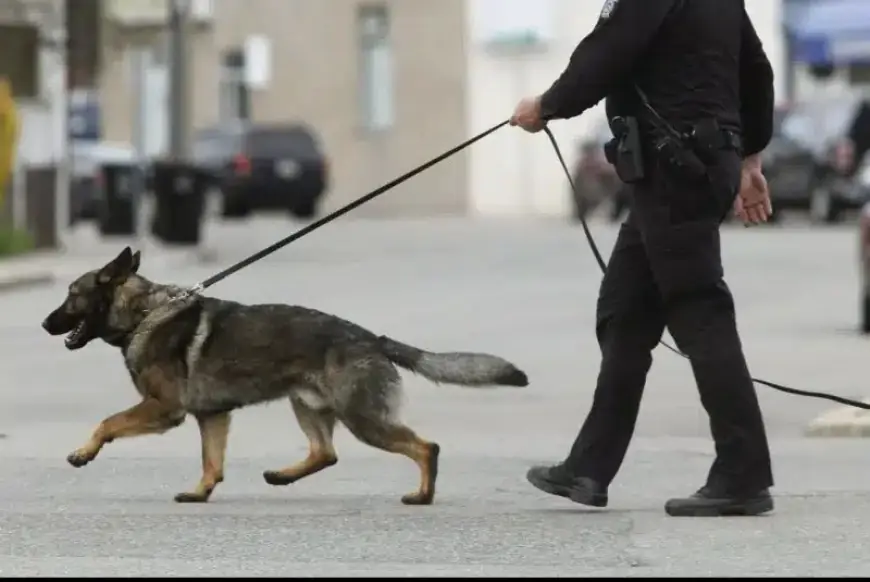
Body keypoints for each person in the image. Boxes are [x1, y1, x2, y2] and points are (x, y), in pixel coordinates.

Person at [510, 0, 776, 517]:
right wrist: (747, 159)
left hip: (675, 168)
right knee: (625, 314)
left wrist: (545, 105)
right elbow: (757, 73)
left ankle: (743, 474)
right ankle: (588, 467)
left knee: (700, 310)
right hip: (693, 165)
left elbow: (606, 54)